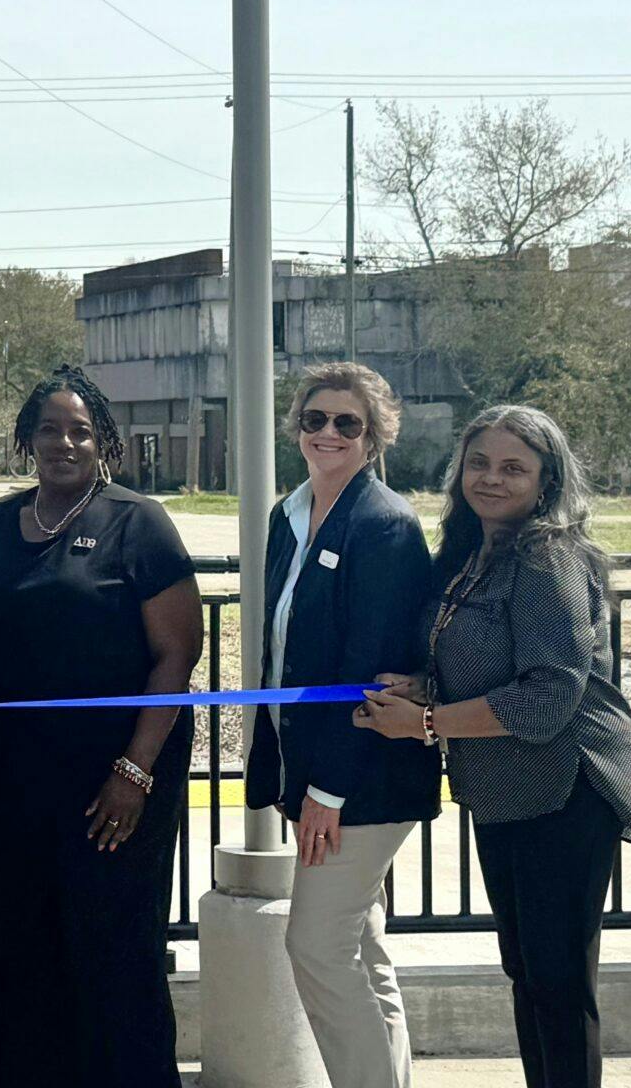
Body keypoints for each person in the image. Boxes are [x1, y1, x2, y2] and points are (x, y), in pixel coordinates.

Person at [360, 405, 631, 1088]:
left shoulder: (549, 556)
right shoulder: (475, 552)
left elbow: (548, 695)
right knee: (527, 973)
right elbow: (486, 663)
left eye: (514, 467)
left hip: (567, 791)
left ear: (547, 481)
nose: (491, 478)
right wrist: (425, 686)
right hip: (506, 793)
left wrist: (425, 726)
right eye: (480, 462)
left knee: (557, 984)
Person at [0, 366, 201, 1087]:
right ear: (27, 439)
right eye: (50, 429)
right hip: (13, 784)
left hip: (113, 788)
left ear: (104, 444)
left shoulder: (137, 521)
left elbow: (177, 654)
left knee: (114, 957)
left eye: (81, 431)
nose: (64, 442)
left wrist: (135, 772)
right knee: (23, 952)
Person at [246, 362, 439, 1088]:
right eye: (315, 419)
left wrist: (328, 790)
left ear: (374, 436)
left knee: (317, 948)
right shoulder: (288, 515)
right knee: (359, 947)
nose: (327, 433)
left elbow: (372, 667)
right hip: (312, 774)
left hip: (362, 780)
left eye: (346, 423)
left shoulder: (383, 523)